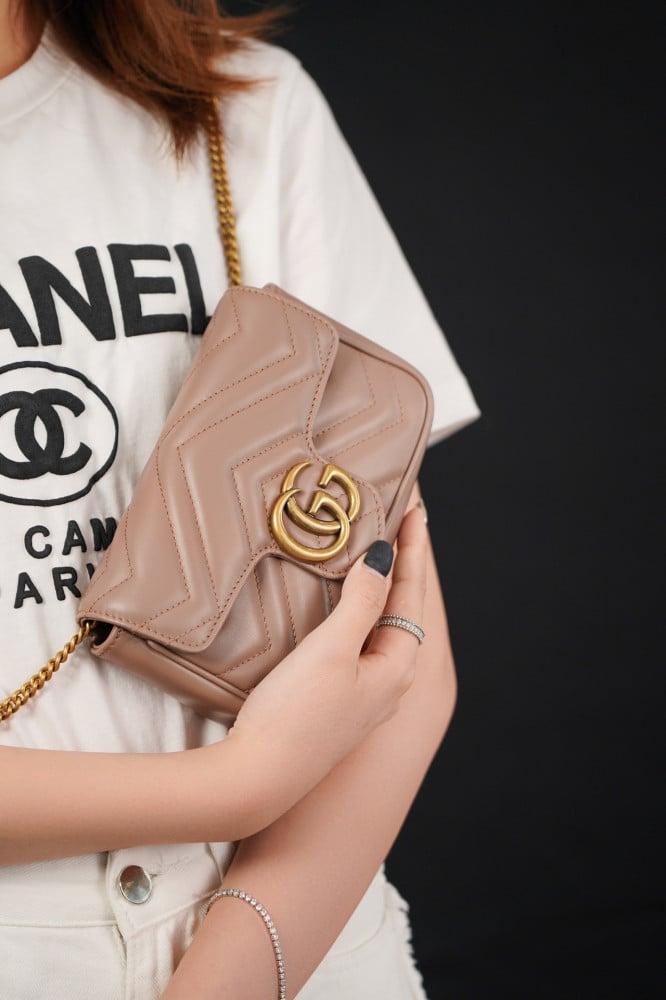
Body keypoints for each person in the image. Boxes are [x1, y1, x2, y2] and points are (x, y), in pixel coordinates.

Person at [0, 2, 480, 998]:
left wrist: (227, 978)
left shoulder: (236, 104)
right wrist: (232, 785)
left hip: (296, 930)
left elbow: (399, 647)